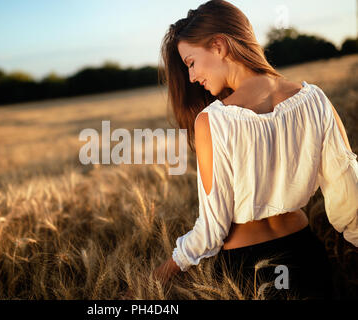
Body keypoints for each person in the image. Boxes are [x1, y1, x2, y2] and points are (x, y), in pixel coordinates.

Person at [151, 0, 358, 299]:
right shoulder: (315, 100)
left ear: (219, 45)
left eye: (191, 62)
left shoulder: (214, 121)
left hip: (249, 269)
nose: (192, 77)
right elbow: (350, 198)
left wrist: (162, 273)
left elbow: (211, 231)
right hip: (307, 255)